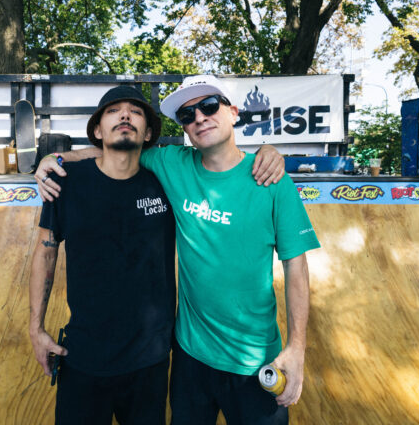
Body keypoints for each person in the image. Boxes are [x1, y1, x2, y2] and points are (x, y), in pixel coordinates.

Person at [36, 76, 321, 424]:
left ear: (233, 112)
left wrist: (296, 349)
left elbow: (296, 266)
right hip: (190, 358)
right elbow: (117, 147)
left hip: (255, 359)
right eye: (187, 114)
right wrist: (54, 156)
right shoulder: (173, 165)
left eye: (210, 106)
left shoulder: (272, 180)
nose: (199, 117)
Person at [28, 86, 176, 424]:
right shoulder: (66, 182)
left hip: (149, 361)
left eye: (135, 111)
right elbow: (45, 252)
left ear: (149, 132)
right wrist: (36, 329)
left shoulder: (167, 181)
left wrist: (268, 150)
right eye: (114, 111)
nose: (125, 116)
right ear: (97, 130)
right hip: (82, 357)